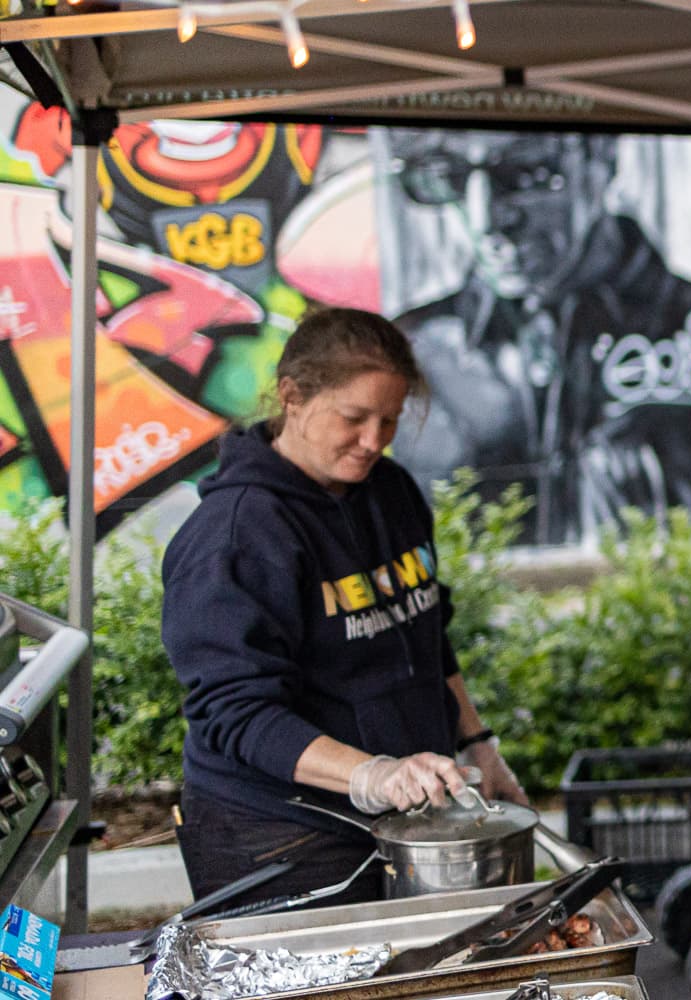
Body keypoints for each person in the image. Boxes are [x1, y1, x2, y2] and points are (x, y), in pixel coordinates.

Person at [161, 307, 528, 910]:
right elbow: (236, 713)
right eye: (354, 418)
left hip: (400, 820)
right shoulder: (236, 534)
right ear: (293, 397)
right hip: (274, 831)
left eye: (390, 420)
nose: (373, 441)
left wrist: (478, 745)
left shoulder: (392, 491)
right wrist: (372, 775)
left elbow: (427, 629)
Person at [379, 129, 691, 544]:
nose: (486, 218)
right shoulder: (413, 349)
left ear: (603, 160)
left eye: (527, 173)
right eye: (444, 178)